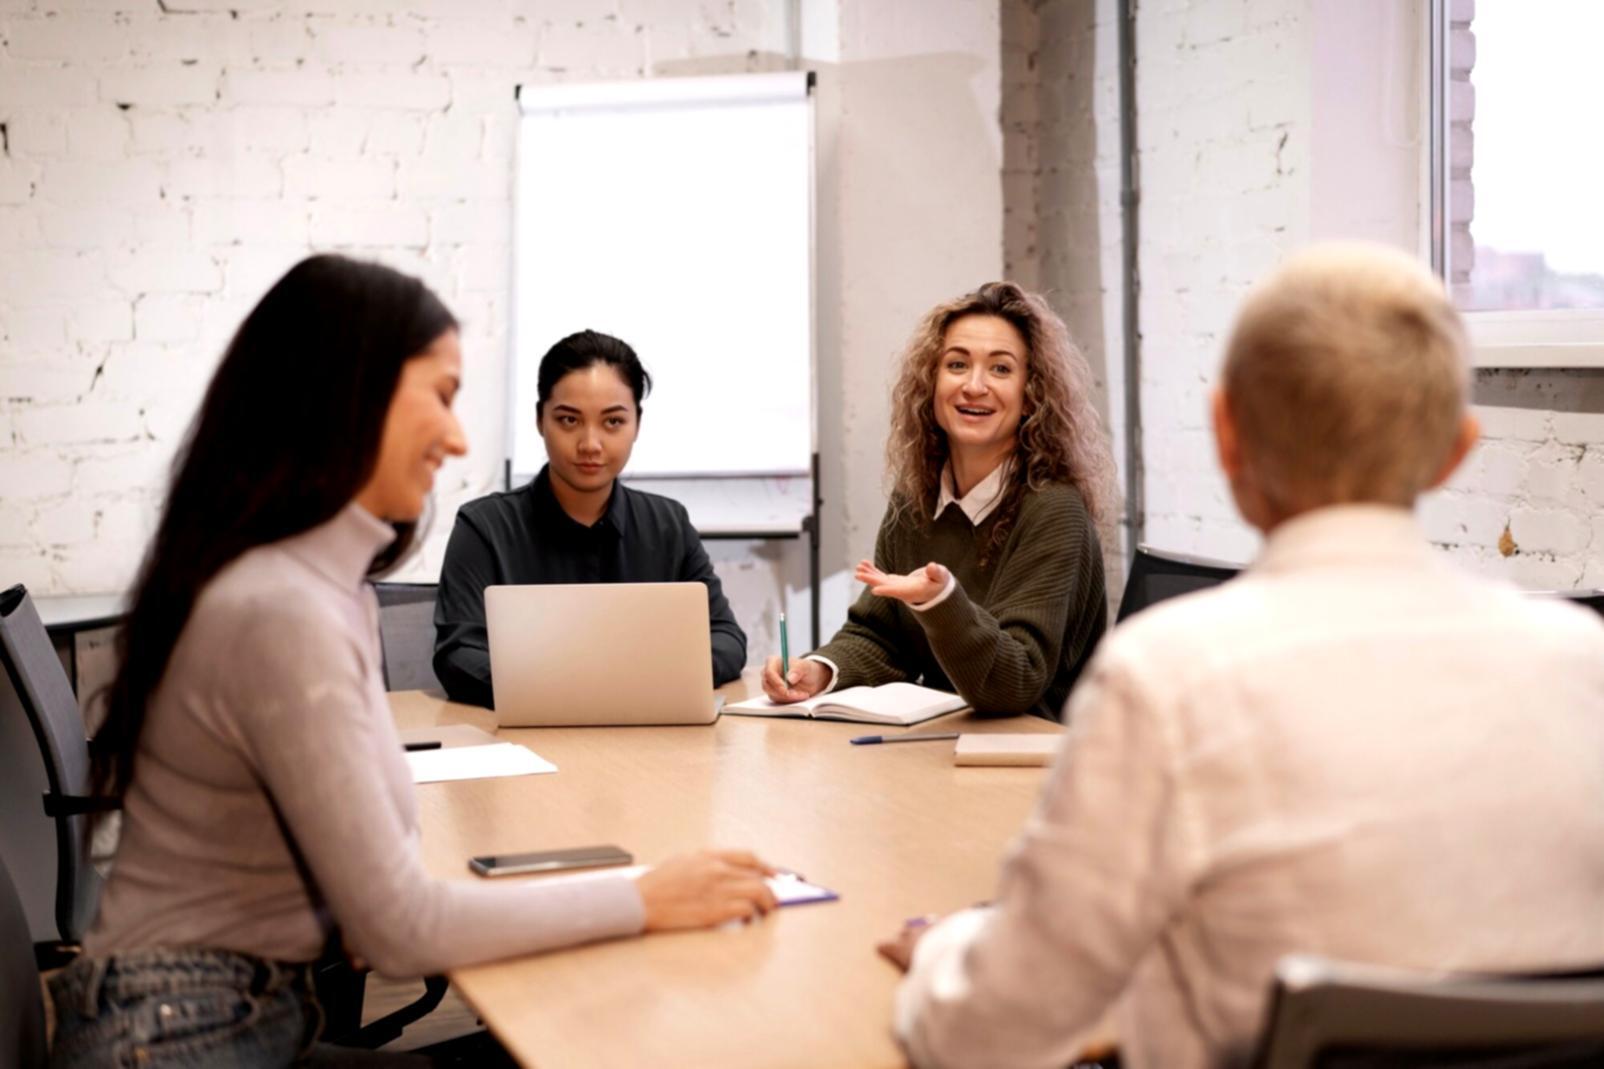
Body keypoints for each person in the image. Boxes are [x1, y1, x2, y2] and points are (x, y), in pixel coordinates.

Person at [886, 244, 1604, 1069]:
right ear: (1457, 449)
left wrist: (948, 949)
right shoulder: (1585, 665)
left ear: (1227, 436)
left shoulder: (1166, 678)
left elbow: (988, 1032)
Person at [52, 257, 776, 1068]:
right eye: (438, 396)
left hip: (231, 1014)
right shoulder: (283, 607)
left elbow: (380, 903)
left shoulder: (319, 587)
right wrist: (643, 896)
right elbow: (401, 929)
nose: (457, 437)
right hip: (178, 1036)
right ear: (346, 398)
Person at [762, 281, 1116, 720]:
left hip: (1032, 748)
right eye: (957, 364)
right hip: (946, 738)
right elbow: (882, 637)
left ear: (1031, 395)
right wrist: (817, 671)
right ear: (932, 383)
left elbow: (1014, 684)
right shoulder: (916, 497)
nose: (974, 385)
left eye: (1001, 369)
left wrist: (941, 601)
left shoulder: (1054, 510)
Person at [433, 329, 746, 709]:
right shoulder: (485, 528)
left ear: (637, 424)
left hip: (646, 732)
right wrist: (577, 688)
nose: (590, 444)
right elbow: (458, 656)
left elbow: (726, 637)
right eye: (569, 420)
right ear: (540, 420)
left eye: (612, 422)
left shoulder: (668, 524)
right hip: (529, 731)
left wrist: (644, 679)